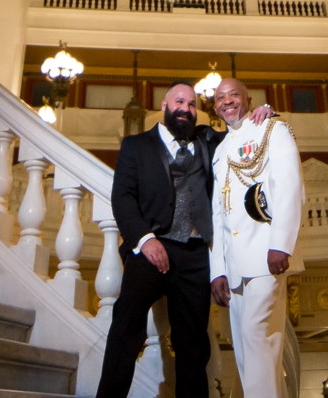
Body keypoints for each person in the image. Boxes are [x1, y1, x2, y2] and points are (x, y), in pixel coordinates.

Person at [97, 83, 272, 398]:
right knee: (126, 330)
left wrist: (263, 113)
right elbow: (122, 197)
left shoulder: (207, 139)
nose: (186, 109)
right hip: (150, 248)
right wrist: (145, 240)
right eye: (180, 101)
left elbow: (243, 134)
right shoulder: (136, 145)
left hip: (194, 256)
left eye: (192, 104)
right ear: (164, 105)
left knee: (193, 345)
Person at [209, 78, 304, 398]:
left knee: (256, 334)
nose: (226, 101)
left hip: (266, 253)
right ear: (214, 107)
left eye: (233, 94)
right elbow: (218, 214)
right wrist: (217, 270)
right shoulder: (220, 149)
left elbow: (289, 184)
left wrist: (281, 244)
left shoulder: (272, 129)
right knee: (249, 349)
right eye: (220, 98)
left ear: (248, 99)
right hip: (234, 265)